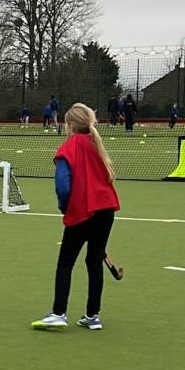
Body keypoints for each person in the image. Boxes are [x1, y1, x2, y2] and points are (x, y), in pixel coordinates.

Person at [32, 103, 121, 332]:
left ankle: (58, 313)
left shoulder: (69, 146)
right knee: (94, 261)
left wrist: (65, 206)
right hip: (106, 209)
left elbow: (62, 185)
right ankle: (93, 316)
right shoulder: (96, 144)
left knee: (66, 262)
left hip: (83, 210)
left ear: (70, 125)